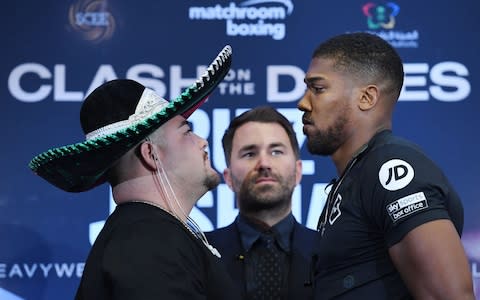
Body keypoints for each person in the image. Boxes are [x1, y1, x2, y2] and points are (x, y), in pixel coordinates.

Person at [29, 46, 241, 300]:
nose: (202, 141)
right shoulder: (150, 241)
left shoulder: (145, 231)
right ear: (151, 154)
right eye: (187, 130)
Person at [298, 32, 475, 299]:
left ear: (367, 98)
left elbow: (448, 296)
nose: (303, 102)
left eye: (318, 88)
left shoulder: (389, 168)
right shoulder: (354, 178)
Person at [206, 106, 317, 300]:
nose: (264, 163)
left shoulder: (331, 252)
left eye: (276, 152)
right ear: (228, 177)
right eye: (249, 154)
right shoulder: (199, 253)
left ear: (298, 171)